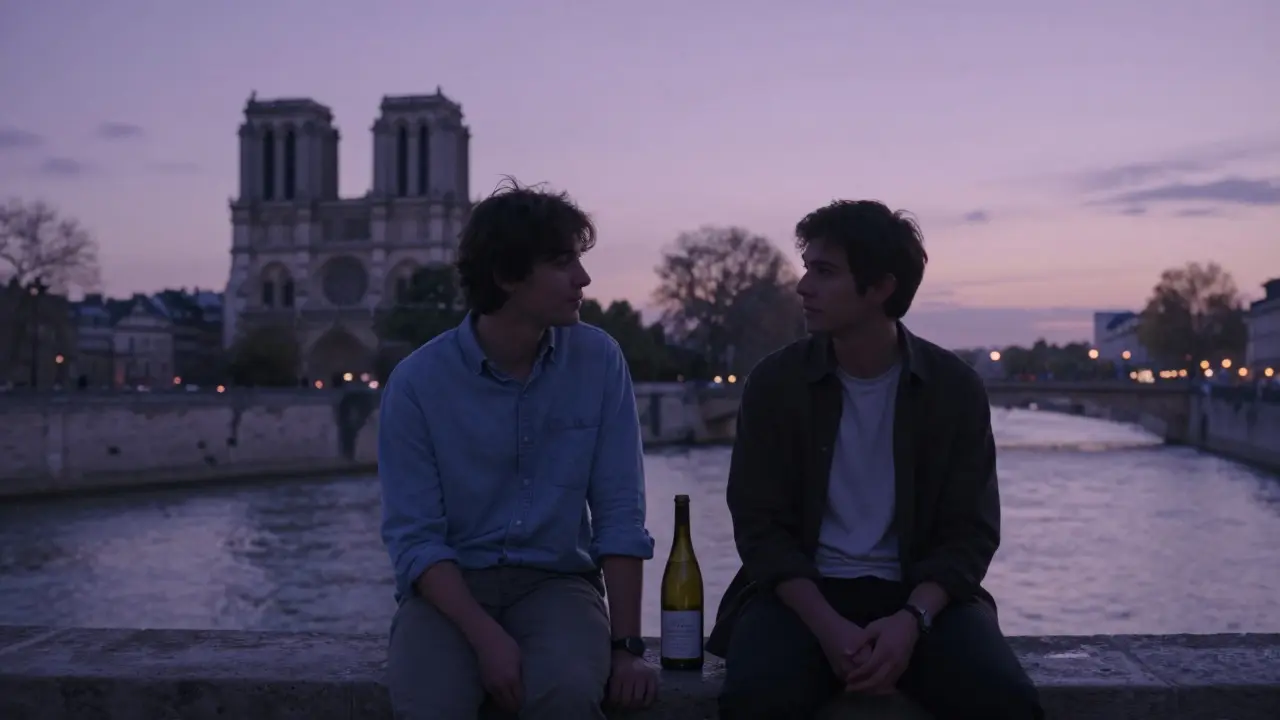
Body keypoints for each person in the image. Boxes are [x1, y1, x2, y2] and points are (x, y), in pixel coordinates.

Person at [708, 200, 1044, 720]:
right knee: (753, 702)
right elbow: (759, 527)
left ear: (882, 287)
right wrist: (828, 626)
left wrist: (911, 620)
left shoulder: (954, 389)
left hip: (923, 598)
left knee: (1006, 702)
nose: (802, 286)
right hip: (802, 597)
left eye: (824, 272)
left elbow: (972, 532)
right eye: (807, 268)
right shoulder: (776, 384)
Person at [378, 179, 659, 720]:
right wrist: (487, 638)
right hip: (448, 592)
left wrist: (627, 650)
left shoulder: (599, 360)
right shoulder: (416, 384)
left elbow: (620, 513)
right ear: (507, 277)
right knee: (431, 707)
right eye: (562, 263)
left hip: (557, 585)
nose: (583, 278)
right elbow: (415, 539)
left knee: (568, 699)